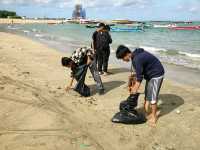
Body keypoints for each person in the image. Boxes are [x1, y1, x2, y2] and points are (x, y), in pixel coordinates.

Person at [116, 45, 165, 126]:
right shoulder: (134, 56)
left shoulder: (137, 59)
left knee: (153, 97)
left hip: (157, 74)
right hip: (149, 74)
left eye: (122, 58)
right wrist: (132, 84)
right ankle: (147, 109)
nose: (123, 60)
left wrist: (134, 90)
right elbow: (139, 72)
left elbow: (139, 78)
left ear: (127, 54)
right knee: (147, 93)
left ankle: (154, 116)